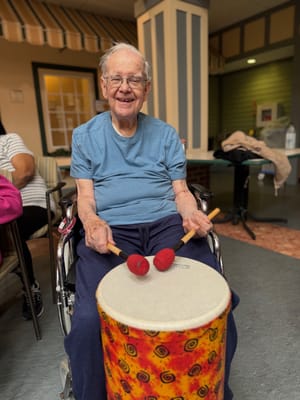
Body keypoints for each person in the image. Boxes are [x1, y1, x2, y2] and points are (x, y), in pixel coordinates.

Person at [65, 42, 238, 400]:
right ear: (103, 86)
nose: (124, 87)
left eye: (135, 80)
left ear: (146, 89)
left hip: (166, 225)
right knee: (86, 322)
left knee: (216, 304)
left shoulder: (165, 134)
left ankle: (214, 390)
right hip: (112, 230)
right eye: (116, 79)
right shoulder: (84, 137)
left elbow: (180, 191)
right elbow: (85, 197)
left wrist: (190, 212)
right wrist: (92, 223)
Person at [0, 119, 56, 319]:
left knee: (9, 227)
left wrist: (5, 197)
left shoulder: (8, 140)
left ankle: (29, 286)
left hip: (32, 204)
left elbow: (25, 172)